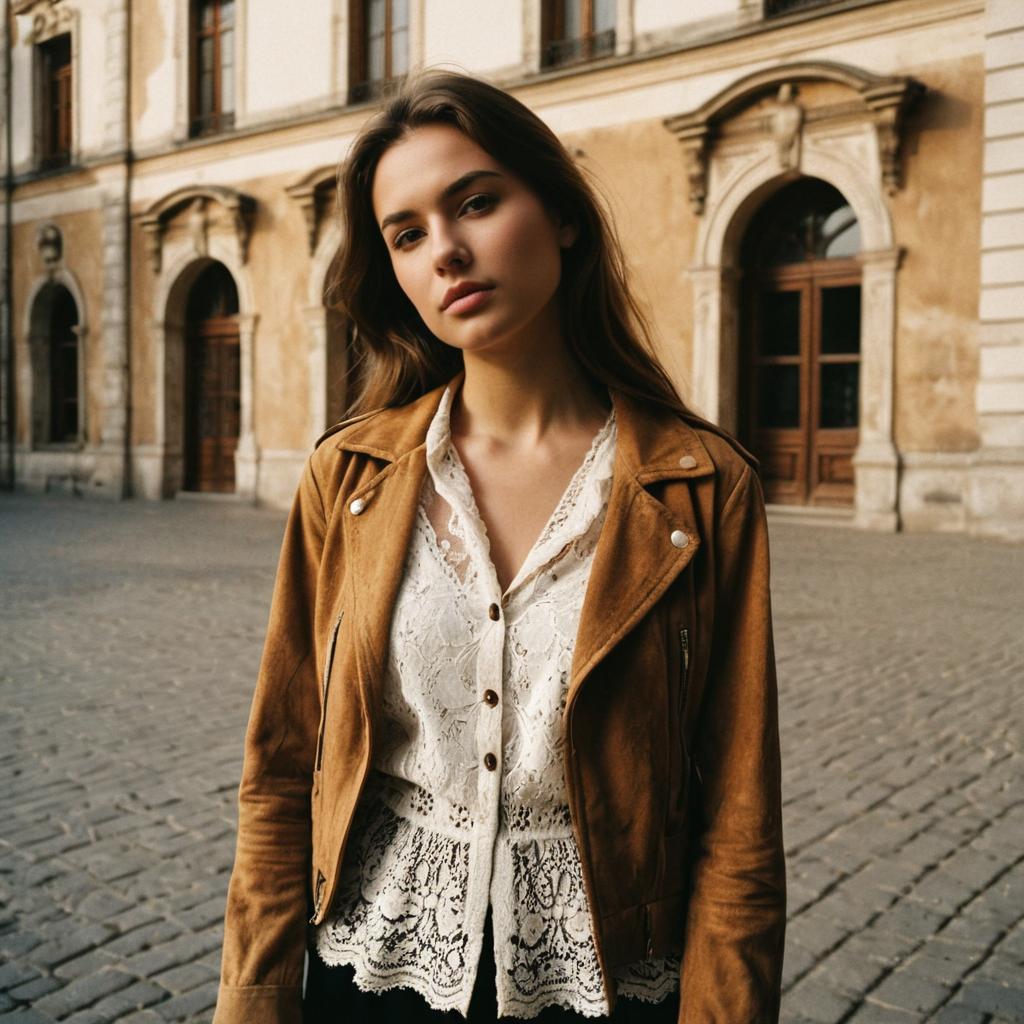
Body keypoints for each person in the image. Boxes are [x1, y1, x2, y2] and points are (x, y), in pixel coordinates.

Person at [213, 70, 785, 1024]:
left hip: (608, 984)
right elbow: (281, 769)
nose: (447, 251)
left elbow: (738, 818)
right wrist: (253, 1000)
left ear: (560, 214)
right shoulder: (349, 480)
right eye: (407, 233)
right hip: (369, 977)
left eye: (475, 202)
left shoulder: (700, 488)